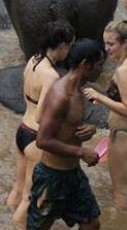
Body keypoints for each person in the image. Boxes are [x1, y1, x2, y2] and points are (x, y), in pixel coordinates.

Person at [28, 38, 105, 230]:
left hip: (73, 174)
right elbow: (43, 140)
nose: (101, 69)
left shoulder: (79, 92)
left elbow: (69, 126)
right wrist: (82, 152)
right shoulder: (60, 95)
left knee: (92, 223)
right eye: (99, 64)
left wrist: (90, 129)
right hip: (51, 177)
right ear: (85, 65)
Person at [9, 20, 76, 225]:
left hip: (22, 131)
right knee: (30, 198)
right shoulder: (51, 75)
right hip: (35, 137)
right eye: (70, 46)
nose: (69, 51)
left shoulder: (32, 61)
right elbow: (41, 116)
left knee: (17, 190)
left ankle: (5, 219)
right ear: (62, 46)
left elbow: (27, 99)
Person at [83, 21, 127, 209]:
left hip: (125, 133)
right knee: (126, 185)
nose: (106, 48)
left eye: (111, 44)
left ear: (125, 42)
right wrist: (105, 96)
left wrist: (99, 97)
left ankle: (125, 221)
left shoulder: (123, 71)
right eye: (105, 43)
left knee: (120, 191)